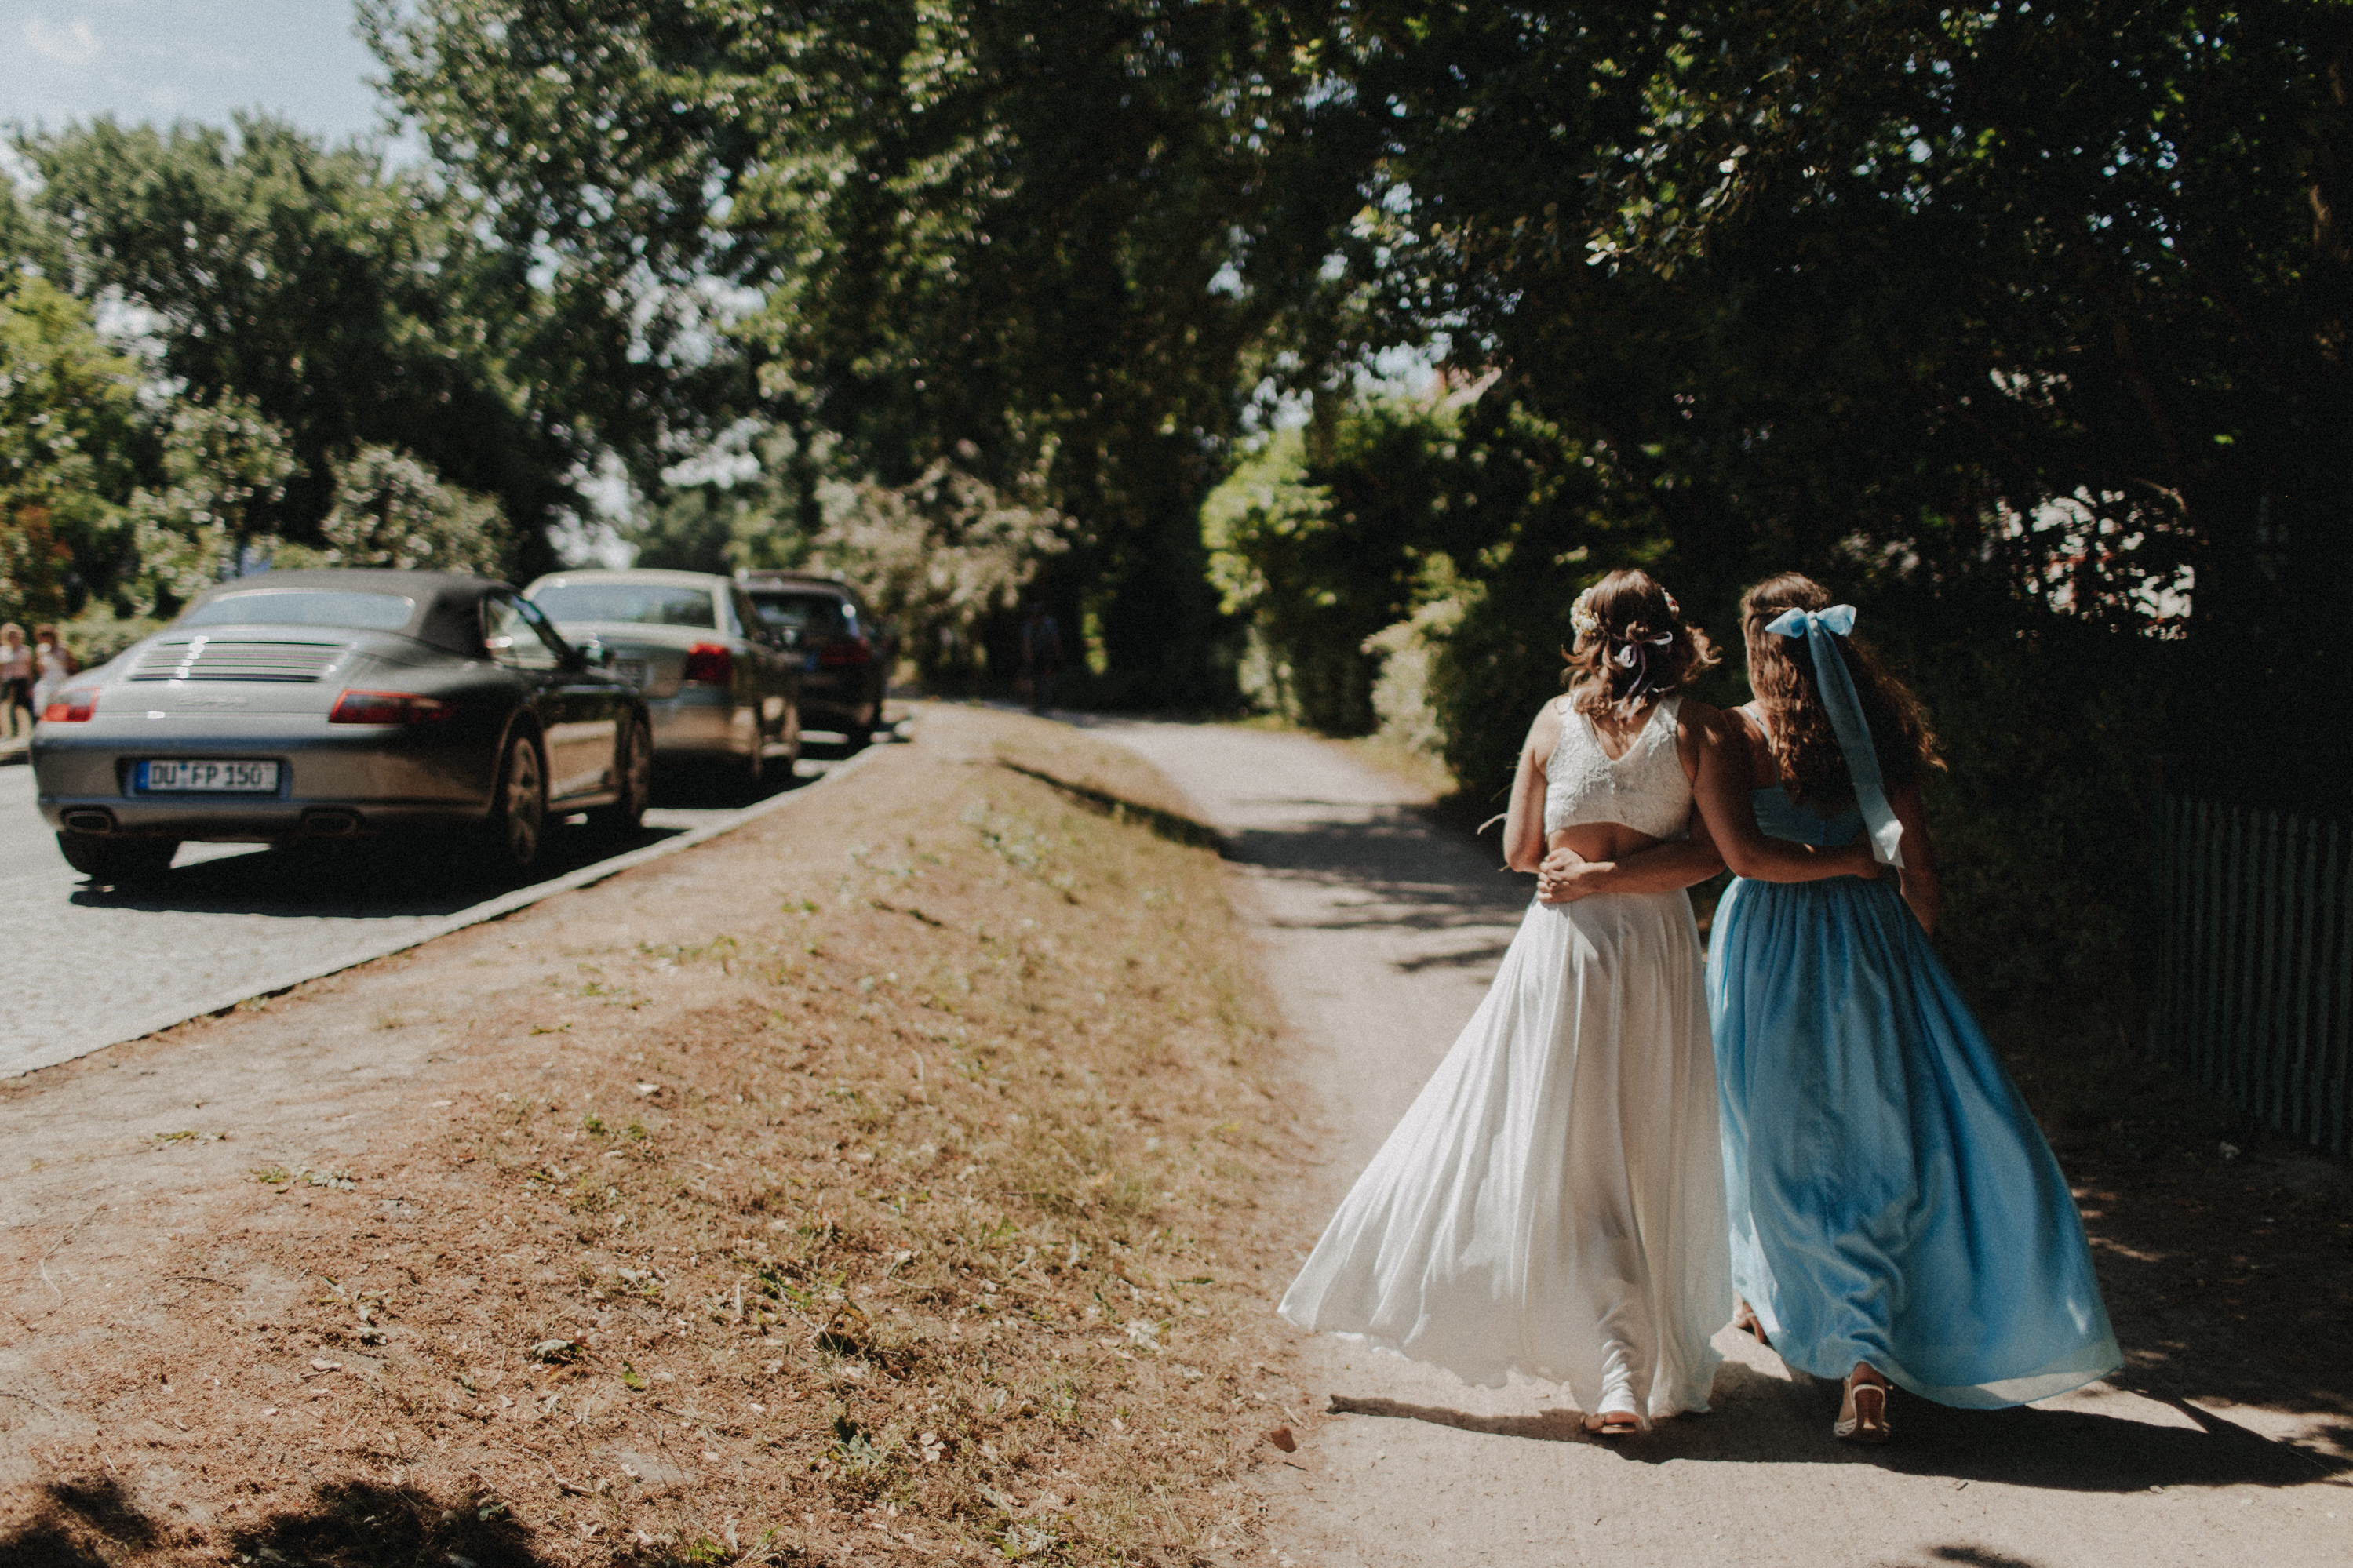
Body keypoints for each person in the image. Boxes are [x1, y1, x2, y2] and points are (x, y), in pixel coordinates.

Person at [1280, 571, 1875, 1433]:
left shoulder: (1551, 724)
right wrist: (1626, 869)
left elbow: (1522, 851)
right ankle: (1618, 1362)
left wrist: (1586, 868)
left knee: (1567, 1147)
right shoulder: (1701, 728)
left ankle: (1614, 1369)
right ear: (1674, 636)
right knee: (1638, 1144)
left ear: (1588, 638)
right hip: (1651, 953)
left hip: (1564, 949)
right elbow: (1721, 855)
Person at [1700, 572, 2120, 1442]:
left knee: (1770, 1130)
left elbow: (1743, 859)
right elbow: (1919, 868)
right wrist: (1909, 953)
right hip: (1868, 946)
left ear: (1752, 642)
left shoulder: (1730, 733)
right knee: (1874, 1137)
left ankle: (1818, 1320)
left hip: (1767, 945)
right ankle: (1861, 1355)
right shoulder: (1876, 732)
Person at [1019, 602, 1062, 714]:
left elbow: (1055, 640)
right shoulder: (1029, 625)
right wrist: (1029, 658)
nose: (1036, 618)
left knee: (1047, 679)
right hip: (1033, 655)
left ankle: (1045, 703)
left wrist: (1057, 655)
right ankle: (1032, 703)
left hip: (1047, 654)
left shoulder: (1050, 624)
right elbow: (1026, 643)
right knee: (1031, 680)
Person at [31, 624, 73, 716]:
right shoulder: (40, 649)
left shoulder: (63, 647)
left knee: (61, 706)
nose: (45, 640)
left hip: (62, 678)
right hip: (47, 680)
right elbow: (40, 669)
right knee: (43, 705)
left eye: (47, 637)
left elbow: (72, 665)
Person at [0, 623, 34, 740]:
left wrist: (30, 686)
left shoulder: (26, 651)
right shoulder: (3, 651)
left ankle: (25, 734)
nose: (12, 638)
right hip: (7, 680)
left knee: (21, 707)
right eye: (9, 636)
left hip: (21, 679)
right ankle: (7, 734)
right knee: (4, 707)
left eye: (14, 635)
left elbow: (29, 669)